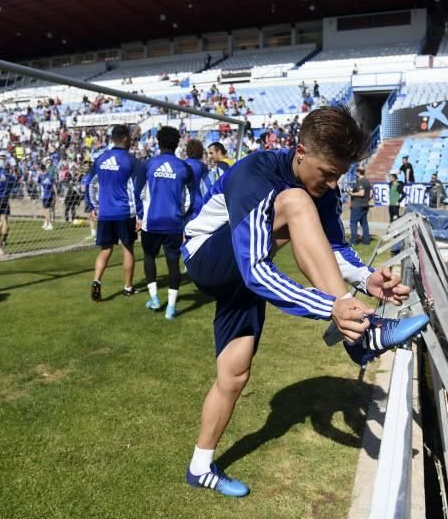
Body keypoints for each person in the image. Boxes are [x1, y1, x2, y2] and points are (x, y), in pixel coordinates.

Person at [181, 105, 429, 497]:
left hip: (243, 272)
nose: (333, 184)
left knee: (234, 375)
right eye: (327, 173)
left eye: (340, 175)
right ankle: (362, 332)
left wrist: (368, 279)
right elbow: (255, 270)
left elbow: (333, 247)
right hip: (206, 259)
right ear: (300, 151)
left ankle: (200, 467)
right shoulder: (255, 174)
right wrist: (332, 306)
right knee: (296, 201)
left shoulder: (322, 189)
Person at [135, 126, 196, 319]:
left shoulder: (148, 165)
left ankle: (154, 299)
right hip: (174, 223)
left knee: (149, 257)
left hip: (151, 222)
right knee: (173, 263)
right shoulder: (184, 167)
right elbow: (191, 198)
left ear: (158, 142)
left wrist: (139, 214)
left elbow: (137, 192)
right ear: (177, 143)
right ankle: (170, 308)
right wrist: (183, 218)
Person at [86, 124, 142, 301]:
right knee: (128, 248)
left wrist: (92, 206)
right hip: (125, 212)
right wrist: (140, 214)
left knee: (105, 249)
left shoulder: (101, 159)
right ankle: (128, 286)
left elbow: (89, 183)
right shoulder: (131, 160)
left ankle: (96, 280)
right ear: (125, 138)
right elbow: (137, 189)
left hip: (105, 212)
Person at [347, 165, 372, 245]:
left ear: (358, 172)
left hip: (358, 205)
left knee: (353, 222)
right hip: (364, 205)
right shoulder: (367, 181)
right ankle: (366, 241)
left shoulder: (361, 181)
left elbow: (362, 193)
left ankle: (353, 241)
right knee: (364, 223)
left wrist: (351, 193)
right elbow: (371, 193)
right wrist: (367, 200)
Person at [184, 138, 208, 216]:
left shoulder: (181, 164)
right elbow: (207, 186)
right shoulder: (202, 166)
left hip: (184, 201)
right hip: (198, 202)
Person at [38, 164, 55, 231]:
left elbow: (53, 185)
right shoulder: (43, 176)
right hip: (46, 195)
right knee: (45, 209)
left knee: (46, 210)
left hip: (46, 195)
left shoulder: (44, 176)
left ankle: (49, 224)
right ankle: (46, 222)